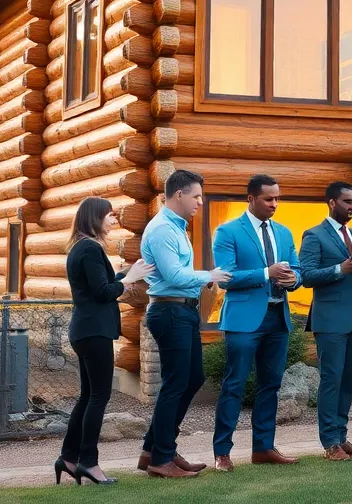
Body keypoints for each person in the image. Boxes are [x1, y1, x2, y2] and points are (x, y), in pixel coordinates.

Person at [138, 170, 231, 478]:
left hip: (184, 311)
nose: (200, 203)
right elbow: (174, 276)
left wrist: (203, 282)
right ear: (178, 195)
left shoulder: (178, 228)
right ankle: (161, 459)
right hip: (170, 312)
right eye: (196, 196)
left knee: (192, 378)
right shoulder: (162, 230)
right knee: (176, 383)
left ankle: (154, 448)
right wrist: (209, 276)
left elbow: (179, 275)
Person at [57, 197, 153, 485]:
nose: (114, 220)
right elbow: (102, 292)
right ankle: (89, 462)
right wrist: (128, 279)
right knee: (99, 397)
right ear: (94, 218)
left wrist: (125, 276)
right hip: (93, 331)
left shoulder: (80, 247)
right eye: (109, 215)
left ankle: (68, 458)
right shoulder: (89, 247)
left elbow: (99, 286)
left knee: (87, 397)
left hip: (86, 330)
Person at [211, 175, 302, 472]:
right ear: (250, 198)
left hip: (278, 318)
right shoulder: (227, 231)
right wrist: (267, 273)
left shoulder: (285, 232)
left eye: (277, 198)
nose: (274, 204)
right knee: (234, 385)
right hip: (243, 320)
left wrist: (294, 279)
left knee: (271, 385)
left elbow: (297, 270)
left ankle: (263, 448)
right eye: (268, 199)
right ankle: (222, 453)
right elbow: (225, 277)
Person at [299, 181, 352, 461]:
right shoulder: (314, 235)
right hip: (330, 321)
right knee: (332, 380)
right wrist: (340, 268)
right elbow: (307, 276)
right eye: (347, 202)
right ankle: (330, 443)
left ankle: (343, 437)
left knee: (348, 382)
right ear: (332, 202)